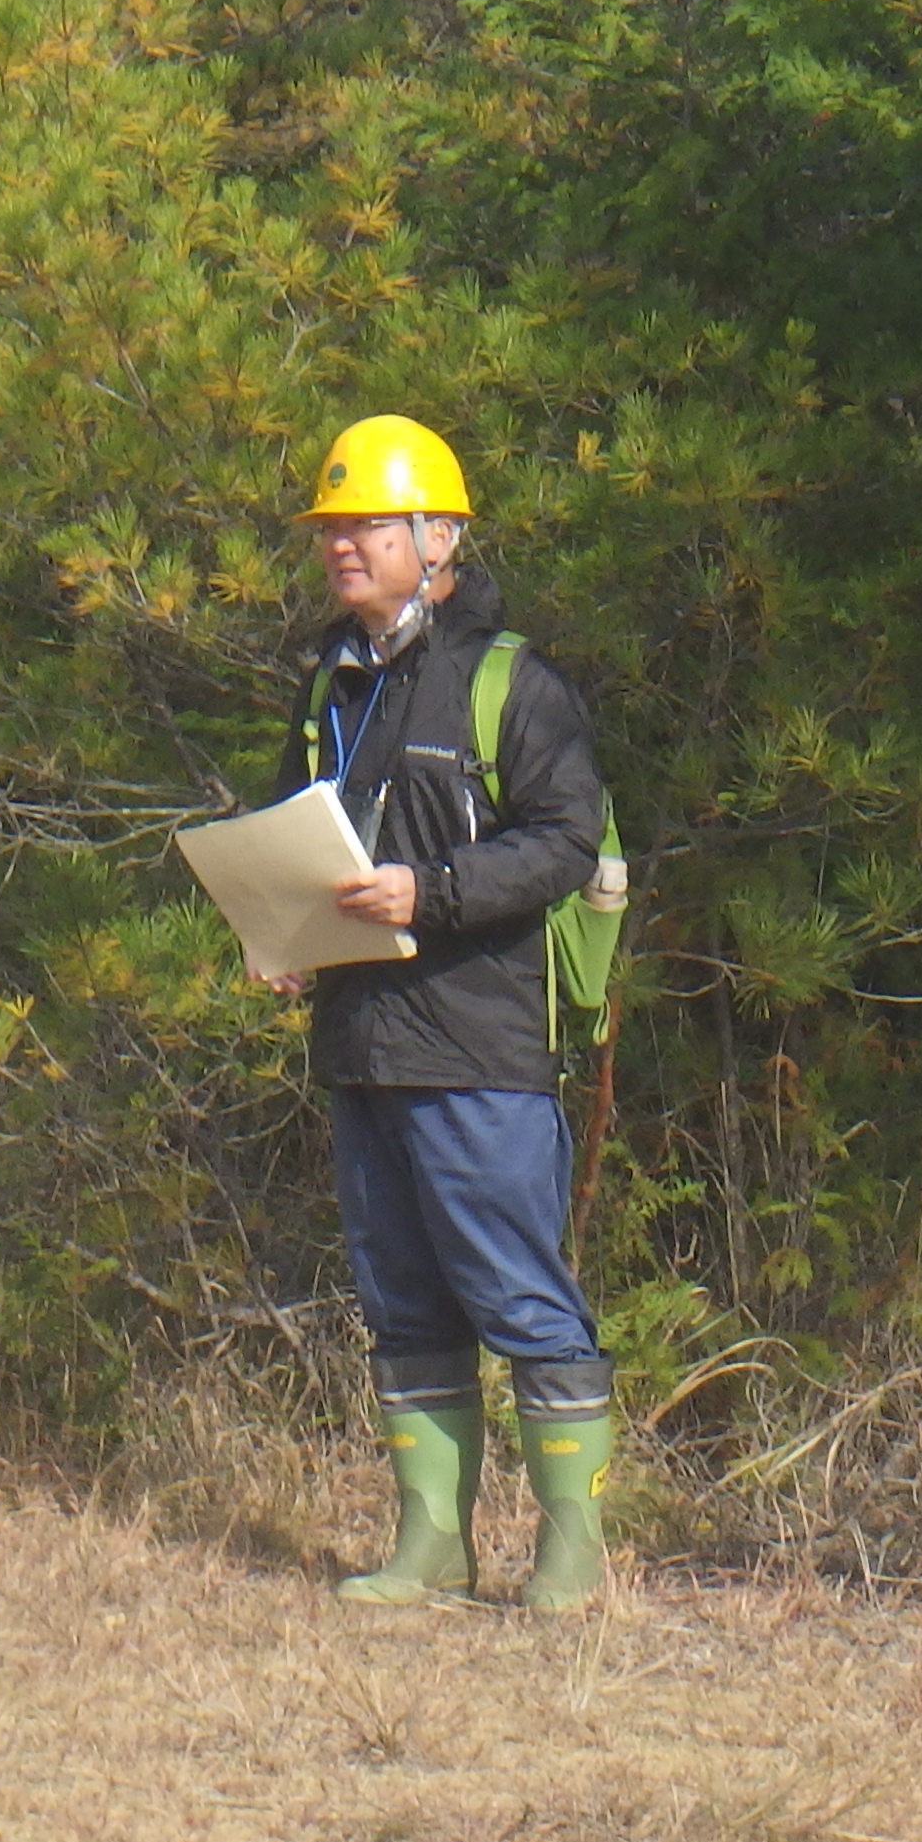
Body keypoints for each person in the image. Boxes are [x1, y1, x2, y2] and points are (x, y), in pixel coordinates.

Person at [273, 415, 618, 1612]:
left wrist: (440, 891)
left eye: (366, 523)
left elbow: (568, 841)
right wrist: (283, 937)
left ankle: (570, 1544)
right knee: (402, 1299)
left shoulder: (510, 679)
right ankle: (432, 1543)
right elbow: (303, 835)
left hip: (479, 1041)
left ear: (440, 534)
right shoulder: (332, 680)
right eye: (332, 528)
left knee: (518, 1287)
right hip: (362, 1043)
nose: (341, 547)